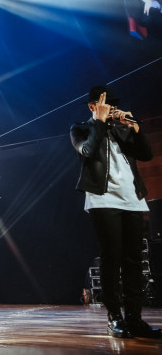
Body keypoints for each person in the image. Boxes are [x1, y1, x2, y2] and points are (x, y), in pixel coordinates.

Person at [70, 85, 160, 339]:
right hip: (103, 198)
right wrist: (99, 122)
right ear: (93, 106)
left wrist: (135, 128)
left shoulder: (122, 129)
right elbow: (87, 151)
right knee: (112, 257)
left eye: (113, 104)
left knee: (134, 260)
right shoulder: (80, 128)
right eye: (106, 104)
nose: (112, 108)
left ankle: (134, 318)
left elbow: (146, 154)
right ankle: (114, 318)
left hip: (132, 198)